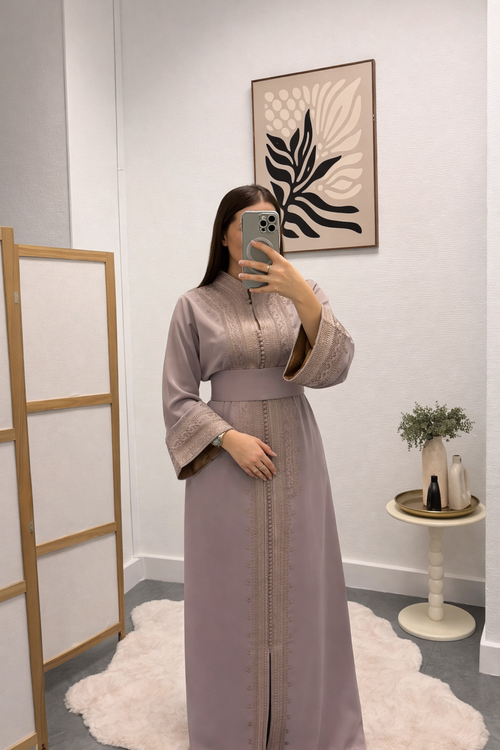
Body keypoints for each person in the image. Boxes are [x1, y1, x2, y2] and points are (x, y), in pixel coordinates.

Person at [162, 184, 366, 750]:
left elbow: (336, 366)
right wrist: (230, 440)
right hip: (225, 461)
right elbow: (178, 398)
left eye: (272, 223)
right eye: (250, 223)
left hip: (296, 450)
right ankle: (228, 729)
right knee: (227, 591)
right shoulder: (194, 305)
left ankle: (310, 725)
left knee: (304, 583)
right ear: (226, 232)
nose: (262, 233)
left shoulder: (304, 292)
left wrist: (300, 294)